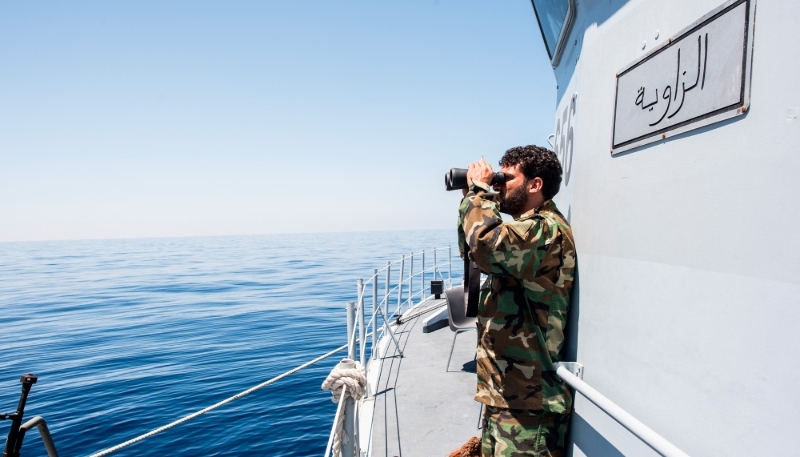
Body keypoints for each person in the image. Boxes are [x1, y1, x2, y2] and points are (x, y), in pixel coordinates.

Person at [457, 145, 576, 457]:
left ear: (535, 184)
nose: (498, 185)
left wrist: (480, 192)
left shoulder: (546, 230)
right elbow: (473, 250)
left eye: (506, 178)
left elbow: (486, 246)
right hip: (506, 395)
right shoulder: (522, 229)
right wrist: (470, 198)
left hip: (530, 406)